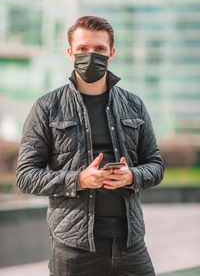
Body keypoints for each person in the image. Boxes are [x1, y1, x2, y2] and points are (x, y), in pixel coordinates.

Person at [16, 16, 164, 276]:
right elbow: (26, 176)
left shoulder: (134, 105)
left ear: (111, 53)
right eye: (83, 49)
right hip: (73, 247)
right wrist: (80, 180)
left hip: (130, 242)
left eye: (99, 49)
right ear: (70, 52)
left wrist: (132, 176)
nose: (90, 55)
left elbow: (155, 165)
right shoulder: (47, 107)